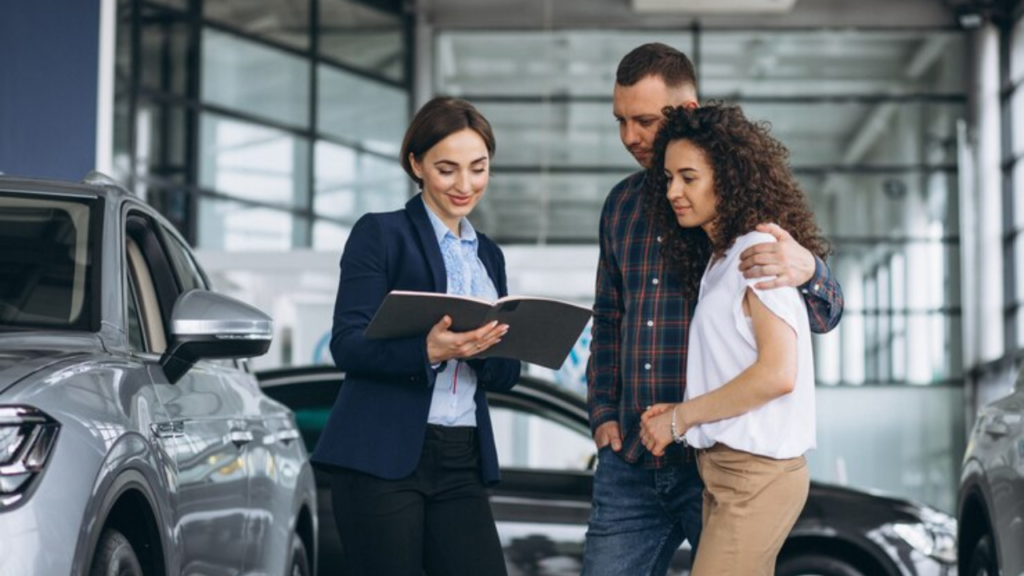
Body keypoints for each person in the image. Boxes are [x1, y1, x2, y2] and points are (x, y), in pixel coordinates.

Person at [583, 43, 844, 576]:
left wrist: (811, 271)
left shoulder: (745, 218)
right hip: (632, 458)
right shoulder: (621, 206)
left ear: (688, 113)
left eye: (645, 120)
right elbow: (608, 317)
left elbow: (817, 322)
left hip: (712, 457)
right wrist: (602, 413)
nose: (630, 136)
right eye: (620, 121)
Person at [310, 96, 521, 576]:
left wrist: (485, 351)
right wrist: (427, 351)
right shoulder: (381, 234)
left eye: (478, 168)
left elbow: (506, 373)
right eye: (447, 169)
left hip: (462, 454)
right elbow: (348, 343)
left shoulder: (489, 256)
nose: (465, 185)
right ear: (416, 164)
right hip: (383, 455)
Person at [639, 103, 826, 576]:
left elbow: (777, 374)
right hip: (728, 472)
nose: (673, 192)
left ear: (728, 177)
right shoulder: (720, 258)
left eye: (688, 177)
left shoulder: (758, 253)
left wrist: (680, 419)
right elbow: (733, 359)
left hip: (755, 475)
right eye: (668, 178)